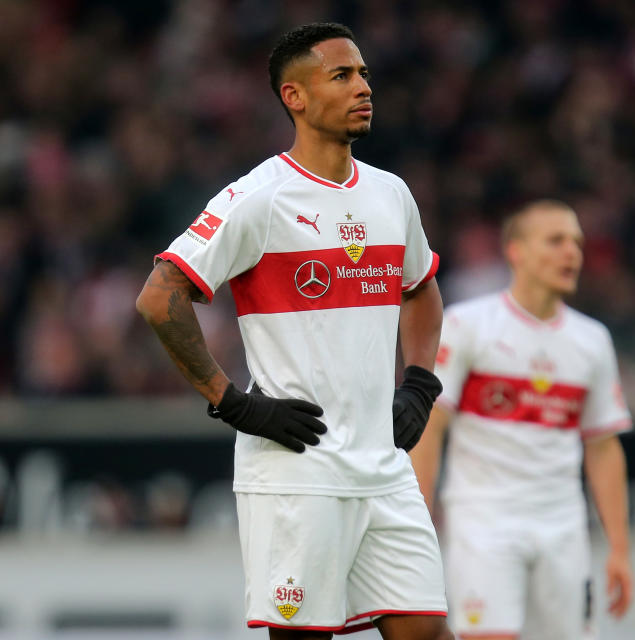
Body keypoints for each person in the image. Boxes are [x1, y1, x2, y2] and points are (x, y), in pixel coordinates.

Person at [136, 23, 453, 640]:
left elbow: (421, 288)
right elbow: (159, 297)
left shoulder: (392, 195)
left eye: (363, 73)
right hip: (298, 469)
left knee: (429, 633)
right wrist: (233, 404)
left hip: (384, 467)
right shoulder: (259, 198)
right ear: (295, 97)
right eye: (342, 75)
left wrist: (419, 383)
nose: (363, 87)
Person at [411, 200, 634, 640]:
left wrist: (620, 550)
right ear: (516, 251)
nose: (572, 252)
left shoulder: (592, 341)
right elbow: (430, 427)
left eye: (577, 243)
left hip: (564, 527)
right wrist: (416, 523)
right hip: (484, 521)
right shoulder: (468, 325)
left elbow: (604, 447)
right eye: (556, 241)